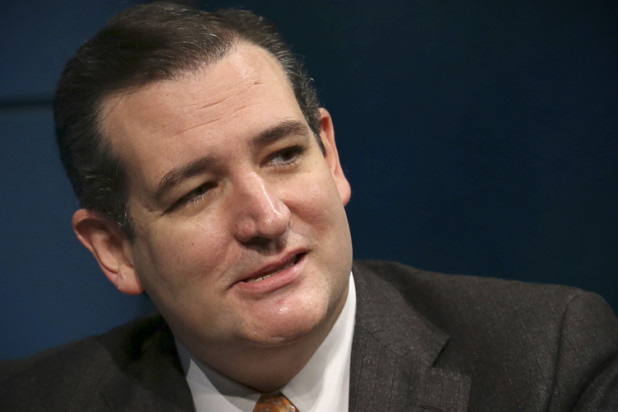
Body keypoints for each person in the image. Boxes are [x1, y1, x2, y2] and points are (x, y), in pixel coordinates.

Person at [1, 2, 617, 411]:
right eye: (196, 192)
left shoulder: (550, 364)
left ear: (331, 156)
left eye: (282, 156)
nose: (267, 219)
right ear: (114, 247)